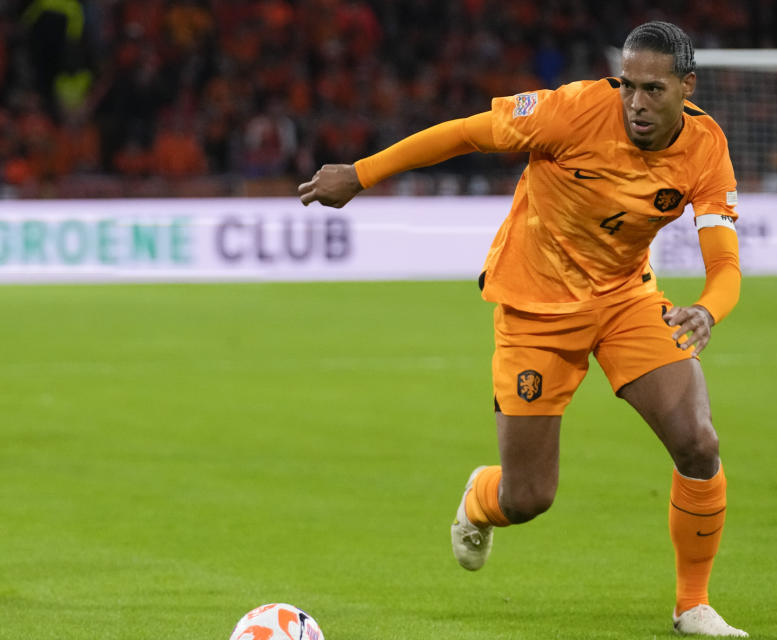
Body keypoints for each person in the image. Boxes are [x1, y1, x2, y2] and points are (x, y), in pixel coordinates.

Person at [298, 21, 747, 638]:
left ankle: (691, 605)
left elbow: (724, 263)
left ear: (686, 87)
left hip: (625, 300)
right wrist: (363, 173)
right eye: (628, 86)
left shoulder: (706, 146)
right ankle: (482, 497)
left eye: (654, 90)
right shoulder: (571, 111)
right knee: (528, 497)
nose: (637, 103)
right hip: (534, 308)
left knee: (698, 443)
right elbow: (463, 133)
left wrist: (707, 309)